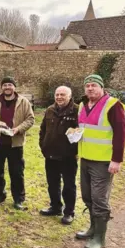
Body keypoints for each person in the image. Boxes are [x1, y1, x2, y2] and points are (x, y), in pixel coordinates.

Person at [75, 74, 125, 248]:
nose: (90, 88)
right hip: (86, 158)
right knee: (88, 196)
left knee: (99, 199)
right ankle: (92, 228)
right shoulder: (82, 105)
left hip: (104, 162)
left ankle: (100, 237)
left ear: (102, 87)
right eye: (87, 85)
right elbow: (83, 129)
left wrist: (116, 160)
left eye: (94, 85)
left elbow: (121, 133)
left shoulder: (113, 105)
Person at [0, 76, 34, 210]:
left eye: (10, 85)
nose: (7, 87)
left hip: (15, 143)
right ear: (1, 87)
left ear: (14, 87)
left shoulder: (23, 102)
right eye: (5, 85)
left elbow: (30, 119)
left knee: (16, 172)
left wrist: (18, 129)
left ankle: (18, 199)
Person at [39, 86, 78, 225]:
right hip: (50, 155)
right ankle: (55, 207)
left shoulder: (77, 111)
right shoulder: (50, 110)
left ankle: (69, 212)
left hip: (68, 157)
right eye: (57, 94)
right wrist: (43, 146)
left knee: (68, 185)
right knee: (52, 184)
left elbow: (80, 132)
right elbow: (42, 129)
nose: (59, 97)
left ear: (70, 96)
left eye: (63, 94)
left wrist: (74, 151)